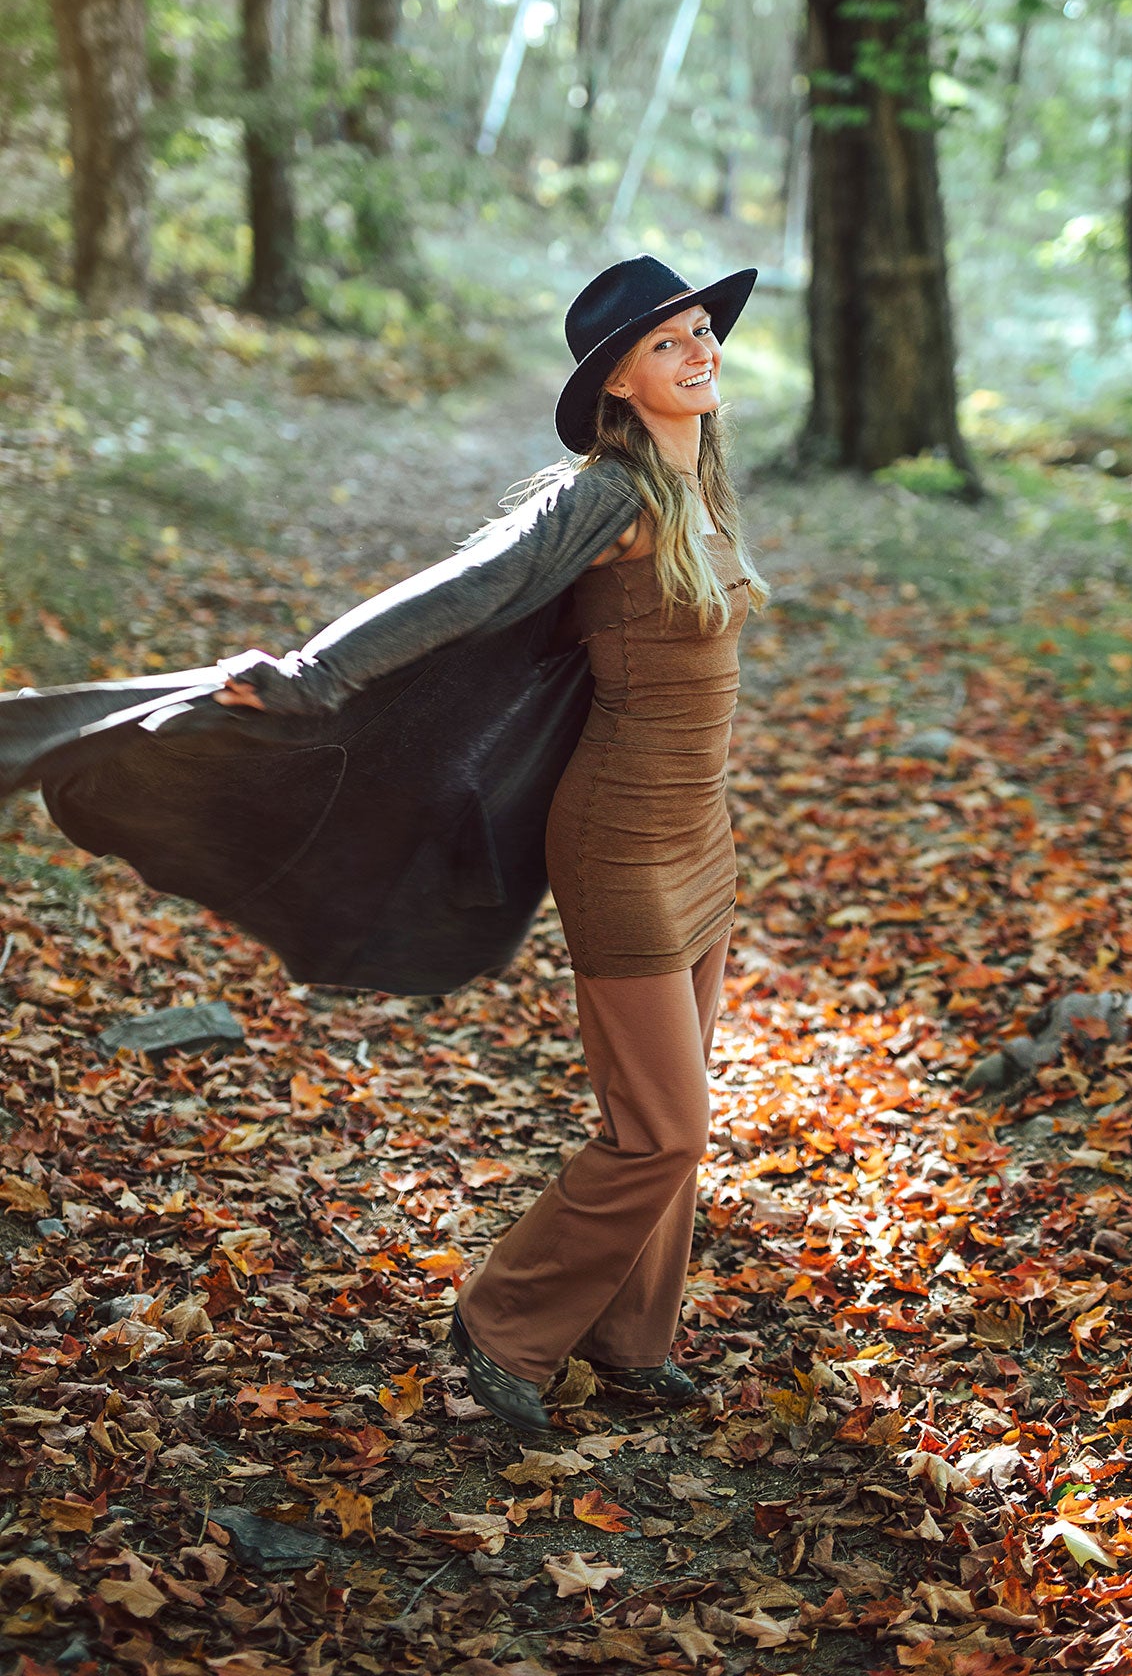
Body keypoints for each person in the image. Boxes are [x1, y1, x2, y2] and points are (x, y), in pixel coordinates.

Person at [215, 254, 768, 1431]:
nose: (700, 349)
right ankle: (502, 1319)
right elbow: (465, 586)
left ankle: (630, 1336)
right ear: (616, 383)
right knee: (665, 1127)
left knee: (670, 1109)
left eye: (701, 330)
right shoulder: (604, 497)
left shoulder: (700, 482)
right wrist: (314, 672)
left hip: (702, 838)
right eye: (668, 342)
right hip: (618, 839)